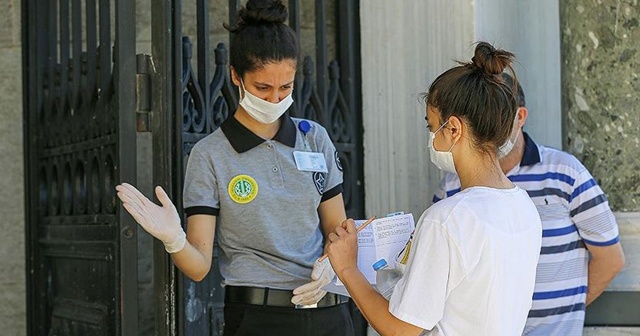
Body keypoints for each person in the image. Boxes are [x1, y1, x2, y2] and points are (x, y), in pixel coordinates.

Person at [116, 0, 355, 335]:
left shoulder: (315, 138)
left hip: (329, 313)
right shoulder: (210, 154)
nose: (275, 99)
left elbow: (337, 230)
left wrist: (333, 263)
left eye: (285, 87)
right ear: (235, 76)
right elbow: (198, 267)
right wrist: (174, 239)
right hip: (258, 318)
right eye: (263, 88)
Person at [325, 42, 543, 336]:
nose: (431, 138)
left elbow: (401, 329)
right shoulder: (524, 206)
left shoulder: (447, 218)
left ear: (453, 129)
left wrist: (347, 268)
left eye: (432, 127)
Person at [433, 73, 625, 336]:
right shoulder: (452, 185)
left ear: (520, 117)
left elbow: (610, 258)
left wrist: (564, 316)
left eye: (500, 117)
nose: (492, 127)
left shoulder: (566, 173)